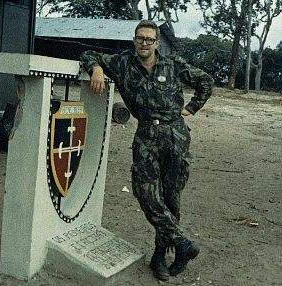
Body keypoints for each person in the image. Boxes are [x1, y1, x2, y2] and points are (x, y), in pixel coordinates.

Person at [80, 20, 214, 281]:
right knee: (146, 194)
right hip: (146, 136)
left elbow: (206, 81)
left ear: (156, 43)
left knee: (171, 200)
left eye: (149, 39)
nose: (144, 43)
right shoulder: (122, 63)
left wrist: (191, 108)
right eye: (140, 38)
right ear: (134, 40)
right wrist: (96, 68)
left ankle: (160, 256)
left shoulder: (173, 65)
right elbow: (89, 53)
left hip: (176, 136)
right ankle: (184, 244)